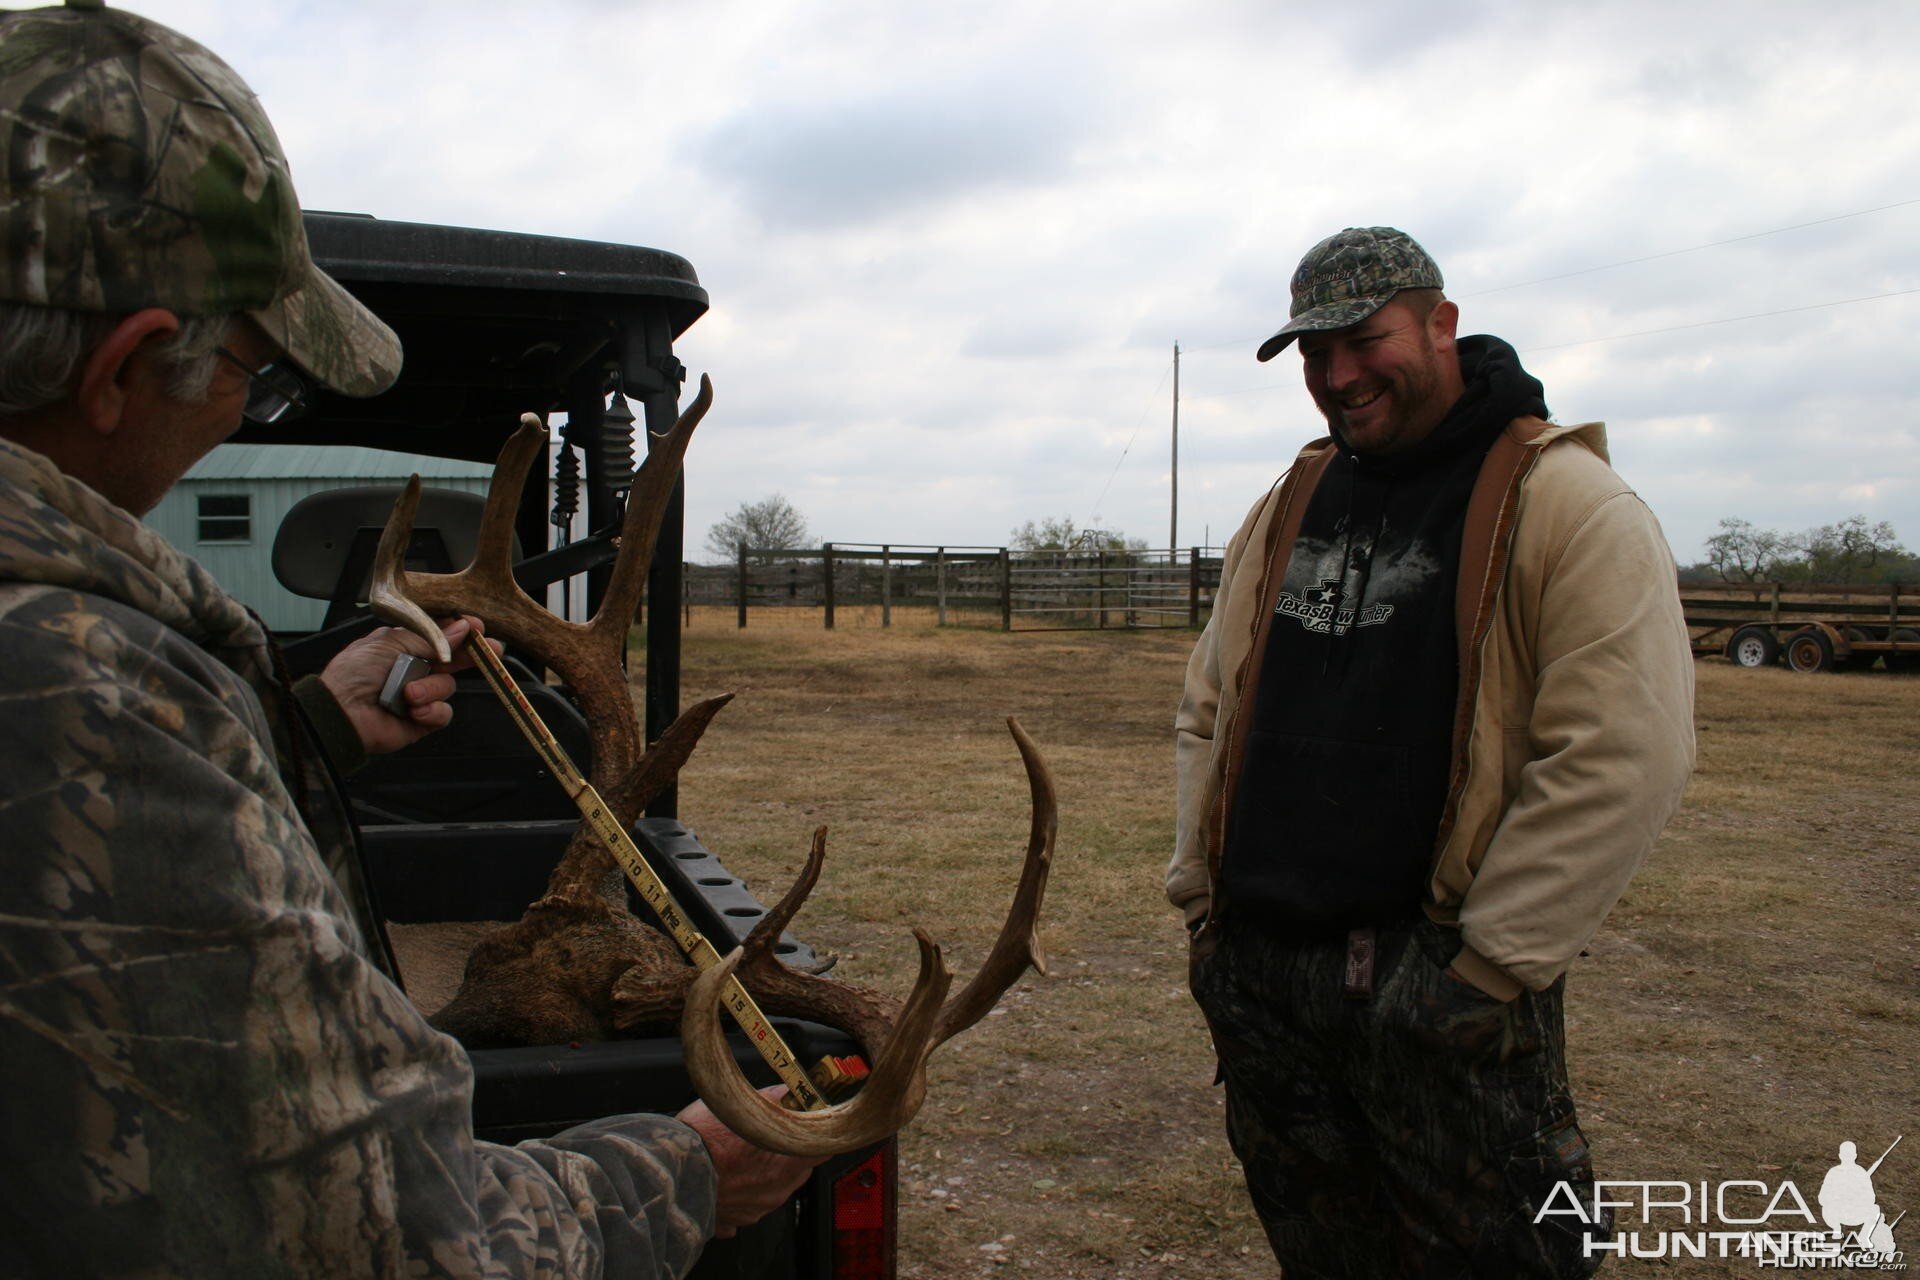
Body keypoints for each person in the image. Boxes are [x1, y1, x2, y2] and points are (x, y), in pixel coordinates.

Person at [0, 4, 819, 1276]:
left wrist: (314, 726)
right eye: (258, 378)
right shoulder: (73, 688)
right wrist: (683, 1168)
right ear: (125, 365)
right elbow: (398, 1245)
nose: (237, 416)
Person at [1171, 225, 1695, 1276]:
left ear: (1441, 323)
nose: (1337, 375)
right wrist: (1203, 901)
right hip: (1268, 986)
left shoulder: (1566, 502)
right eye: (1314, 354)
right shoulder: (1291, 501)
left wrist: (1485, 965)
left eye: (1365, 339)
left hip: (1440, 986)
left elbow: (1622, 748)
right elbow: (1207, 707)